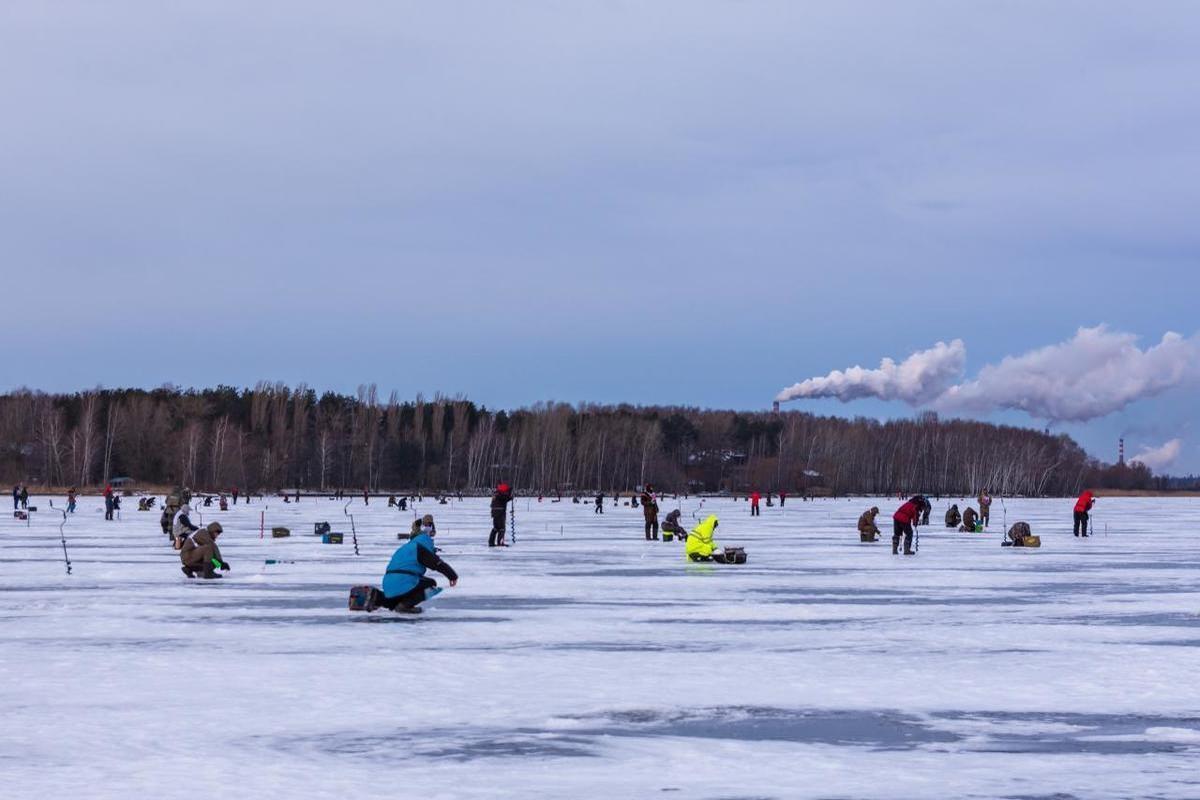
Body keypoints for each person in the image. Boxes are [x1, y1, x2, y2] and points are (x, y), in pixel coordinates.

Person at [379, 517, 457, 612]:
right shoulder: (420, 547)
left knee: (416, 581)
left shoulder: (407, 546)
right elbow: (437, 563)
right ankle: (405, 605)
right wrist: (452, 576)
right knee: (430, 584)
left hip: (388, 584)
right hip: (401, 582)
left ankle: (393, 602)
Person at [489, 483, 513, 547]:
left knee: (496, 528)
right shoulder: (500, 495)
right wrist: (510, 495)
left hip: (495, 513)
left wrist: (509, 496)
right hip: (500, 513)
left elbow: (504, 499)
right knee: (502, 528)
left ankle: (491, 542)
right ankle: (500, 542)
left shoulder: (496, 494)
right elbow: (505, 499)